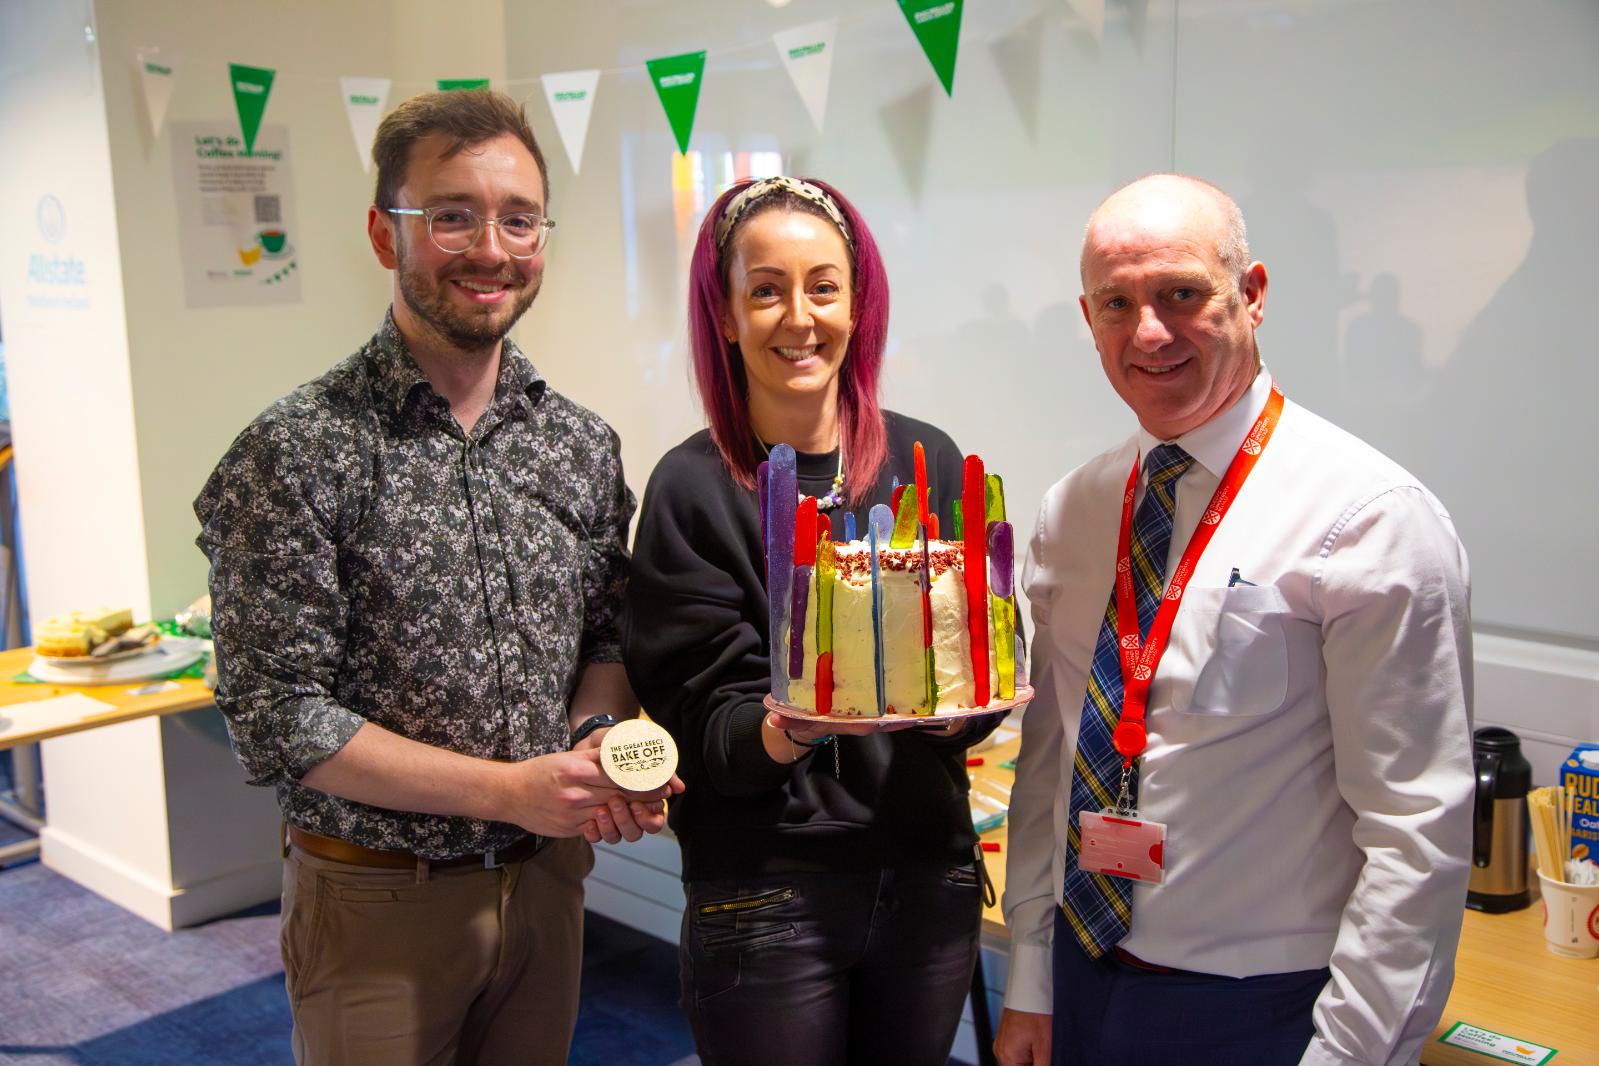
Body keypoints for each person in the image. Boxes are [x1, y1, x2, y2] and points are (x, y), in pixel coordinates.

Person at [195, 90, 681, 1066]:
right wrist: (512, 790)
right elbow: (277, 712)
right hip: (378, 903)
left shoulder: (579, 443)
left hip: (547, 884)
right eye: (451, 215)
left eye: (519, 218)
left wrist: (592, 741)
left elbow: (602, 637)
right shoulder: (296, 451)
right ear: (385, 233)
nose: (491, 248)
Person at [996, 174, 1472, 1066]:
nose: (1147, 331)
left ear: (1250, 294)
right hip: (1084, 971)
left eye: (1181, 294)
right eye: (1116, 303)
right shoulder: (1075, 512)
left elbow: (1416, 834)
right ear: (1087, 318)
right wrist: (1031, 976)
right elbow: (1050, 764)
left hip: (1265, 1011)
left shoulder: (1368, 519)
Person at [623, 176, 1006, 1066]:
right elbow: (707, 734)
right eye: (766, 289)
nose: (799, 317)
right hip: (767, 891)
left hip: (926, 873)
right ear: (724, 315)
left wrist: (958, 707)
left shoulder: (928, 461)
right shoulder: (692, 489)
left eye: (823, 286)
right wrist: (794, 727)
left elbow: (981, 659)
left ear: (856, 302)